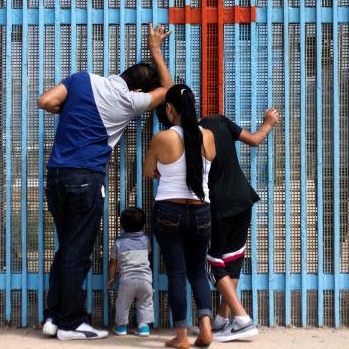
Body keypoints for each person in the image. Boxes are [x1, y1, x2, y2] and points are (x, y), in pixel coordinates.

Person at [37, 24, 173, 341]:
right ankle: (72, 322)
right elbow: (167, 90)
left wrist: (68, 109)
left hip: (55, 176)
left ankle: (53, 317)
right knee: (78, 252)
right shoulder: (130, 102)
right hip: (85, 178)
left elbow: (45, 101)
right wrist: (155, 48)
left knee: (66, 248)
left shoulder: (81, 79)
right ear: (139, 91)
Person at [144, 84, 217, 349]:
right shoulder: (207, 136)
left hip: (169, 211)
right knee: (198, 271)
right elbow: (210, 164)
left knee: (176, 272)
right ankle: (206, 328)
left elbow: (149, 170)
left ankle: (182, 337)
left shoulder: (162, 138)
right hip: (201, 210)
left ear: (169, 108)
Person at [204, 109, 279, 342]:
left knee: (211, 261)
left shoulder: (188, 133)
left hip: (219, 204)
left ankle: (242, 318)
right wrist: (268, 123)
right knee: (232, 258)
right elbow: (255, 140)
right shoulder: (219, 120)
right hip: (242, 198)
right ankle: (222, 319)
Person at [107, 207, 154, 337]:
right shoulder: (146, 240)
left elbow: (113, 262)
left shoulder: (119, 243)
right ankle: (143, 328)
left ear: (121, 225)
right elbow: (148, 257)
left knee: (123, 304)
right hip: (145, 280)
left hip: (127, 280)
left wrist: (111, 277)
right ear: (144, 225)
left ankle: (121, 327)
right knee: (145, 303)